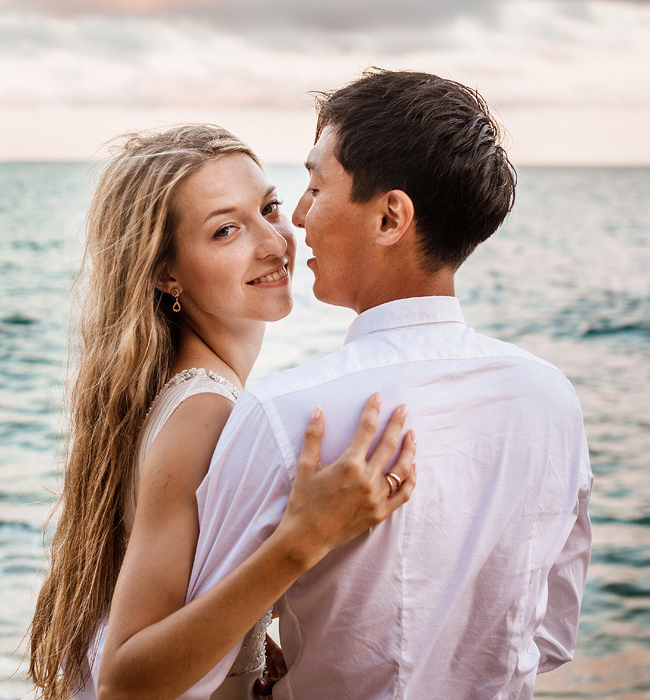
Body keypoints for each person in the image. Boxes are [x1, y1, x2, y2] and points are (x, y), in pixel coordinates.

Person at [176, 70, 594, 699]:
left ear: (391, 216)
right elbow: (553, 639)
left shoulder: (288, 414)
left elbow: (196, 670)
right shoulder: (550, 398)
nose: (297, 215)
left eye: (317, 185)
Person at [25, 124, 418, 700]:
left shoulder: (177, 388)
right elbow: (124, 683)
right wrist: (303, 541)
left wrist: (253, 643)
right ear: (166, 273)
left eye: (270, 207)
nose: (275, 242)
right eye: (226, 230)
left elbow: (180, 591)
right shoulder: (204, 410)